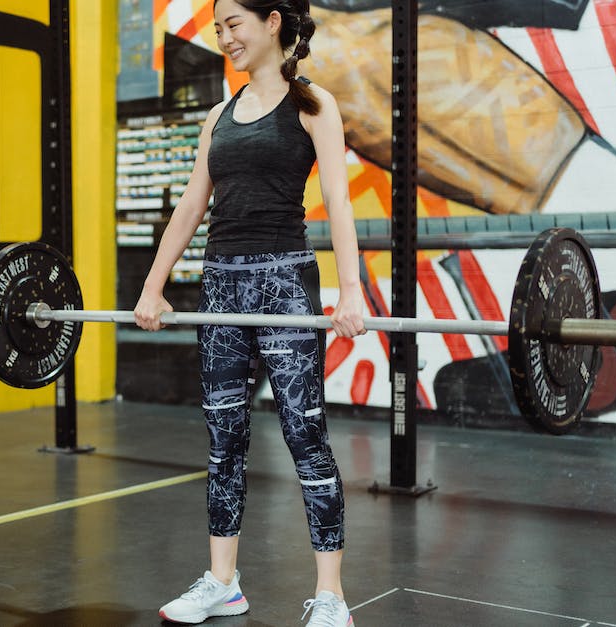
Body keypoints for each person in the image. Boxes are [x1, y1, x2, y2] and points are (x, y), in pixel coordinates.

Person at [134, 1, 365, 625]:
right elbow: (189, 208)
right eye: (218, 28)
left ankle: (331, 595)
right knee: (223, 441)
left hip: (286, 282)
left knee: (305, 437)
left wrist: (352, 290)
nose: (224, 38)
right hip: (221, 289)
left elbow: (339, 204)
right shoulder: (219, 116)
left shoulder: (314, 104)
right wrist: (153, 287)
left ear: (273, 22)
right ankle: (222, 581)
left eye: (234, 24)